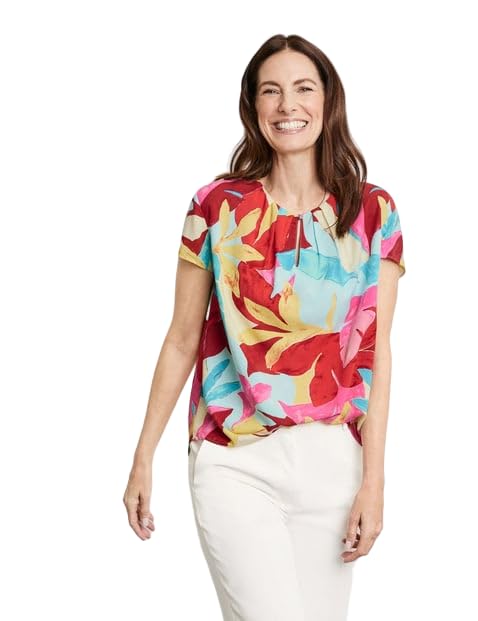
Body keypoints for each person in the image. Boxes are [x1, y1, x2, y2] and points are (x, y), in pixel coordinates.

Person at [123, 33, 406, 621]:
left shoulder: (372, 212)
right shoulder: (216, 207)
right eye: (270, 91)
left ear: (328, 101)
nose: (287, 105)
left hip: (334, 461)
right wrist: (143, 455)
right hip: (234, 455)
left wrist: (374, 482)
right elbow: (181, 338)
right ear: (253, 106)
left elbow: (377, 351)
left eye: (303, 89)